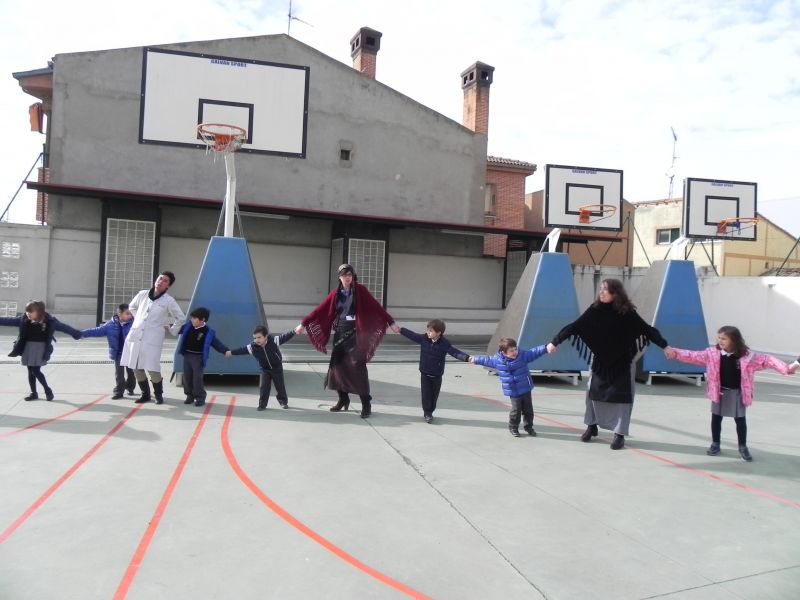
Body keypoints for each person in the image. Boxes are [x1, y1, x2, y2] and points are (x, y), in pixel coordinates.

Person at [547, 278, 672, 450]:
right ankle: (591, 426)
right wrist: (555, 342)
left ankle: (619, 434)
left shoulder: (627, 313)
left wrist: (665, 346)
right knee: (592, 392)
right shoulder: (594, 310)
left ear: (615, 293)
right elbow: (574, 327)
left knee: (622, 398)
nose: (601, 292)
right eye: (601, 289)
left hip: (623, 363)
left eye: (605, 289)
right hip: (600, 362)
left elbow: (647, 330)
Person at [664, 326, 794, 461]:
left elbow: (767, 360)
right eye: (719, 338)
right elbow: (693, 356)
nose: (720, 341)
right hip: (719, 391)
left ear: (734, 340)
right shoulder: (712, 354)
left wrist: (785, 368)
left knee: (740, 420)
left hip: (738, 393)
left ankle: (742, 447)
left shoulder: (747, 356)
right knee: (716, 418)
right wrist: (675, 352)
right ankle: (715, 444)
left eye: (724, 338)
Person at [300, 263, 395, 418]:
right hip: (341, 332)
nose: (347, 277)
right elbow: (319, 310)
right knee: (337, 367)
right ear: (339, 277)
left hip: (357, 333)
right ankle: (343, 399)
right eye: (344, 275)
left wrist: (391, 322)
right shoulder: (335, 293)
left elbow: (376, 307)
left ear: (353, 276)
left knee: (358, 368)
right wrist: (303, 323)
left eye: (349, 274)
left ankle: (366, 403)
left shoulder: (360, 291)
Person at [120, 271, 185, 405]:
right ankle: (145, 394)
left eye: (165, 281)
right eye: (160, 278)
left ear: (168, 286)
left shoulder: (168, 300)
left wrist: (172, 330)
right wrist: (139, 319)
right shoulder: (142, 294)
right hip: (136, 335)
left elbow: (181, 317)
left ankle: (158, 394)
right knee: (136, 366)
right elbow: (132, 307)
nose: (161, 281)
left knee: (153, 367)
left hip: (153, 338)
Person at [0, 300, 82, 401]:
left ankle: (47, 390)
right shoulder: (24, 319)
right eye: (27, 311)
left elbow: (64, 327)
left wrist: (77, 334)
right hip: (28, 348)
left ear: (38, 312)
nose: (28, 314)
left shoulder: (49, 321)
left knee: (35, 370)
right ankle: (33, 393)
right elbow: (8, 321)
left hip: (40, 349)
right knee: (30, 371)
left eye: (31, 311)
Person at [392, 319, 470, 423]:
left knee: (434, 395)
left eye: (431, 331)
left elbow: (455, 352)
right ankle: (427, 413)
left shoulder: (444, 343)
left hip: (437, 374)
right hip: (425, 373)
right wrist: (401, 330)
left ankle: (431, 411)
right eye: (427, 330)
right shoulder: (424, 338)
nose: (428, 332)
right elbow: (413, 335)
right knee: (426, 394)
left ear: (439, 333)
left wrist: (467, 358)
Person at [469, 337, 551, 437]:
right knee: (516, 411)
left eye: (515, 349)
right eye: (511, 351)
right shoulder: (497, 360)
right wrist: (475, 359)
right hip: (513, 390)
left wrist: (545, 348)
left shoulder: (522, 356)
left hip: (525, 387)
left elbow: (534, 352)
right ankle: (513, 427)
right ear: (503, 352)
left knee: (528, 410)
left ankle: (529, 427)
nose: (515, 352)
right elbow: (486, 360)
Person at [225, 324, 303, 410]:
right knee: (264, 387)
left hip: (277, 368)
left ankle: (283, 402)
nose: (256, 340)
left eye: (259, 337)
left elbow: (284, 337)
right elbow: (242, 350)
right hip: (265, 369)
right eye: (254, 338)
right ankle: (262, 404)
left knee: (280, 386)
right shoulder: (253, 347)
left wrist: (294, 331)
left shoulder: (273, 341)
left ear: (266, 336)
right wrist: (231, 352)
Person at [175, 307, 229, 407]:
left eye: (194, 318)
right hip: (187, 355)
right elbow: (177, 329)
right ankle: (189, 395)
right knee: (187, 377)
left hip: (198, 357)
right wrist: (168, 327)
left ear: (202, 319)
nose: (192, 320)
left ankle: (200, 397)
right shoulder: (188, 326)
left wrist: (225, 351)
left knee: (197, 379)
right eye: (192, 317)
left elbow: (217, 344)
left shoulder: (207, 332)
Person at [81, 303, 136, 399]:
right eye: (127, 313)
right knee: (119, 374)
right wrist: (82, 334)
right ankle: (119, 392)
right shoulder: (110, 325)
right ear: (119, 314)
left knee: (131, 372)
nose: (130, 316)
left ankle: (130, 387)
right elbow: (96, 331)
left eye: (131, 314)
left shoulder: (134, 323)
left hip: (130, 353)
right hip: (118, 353)